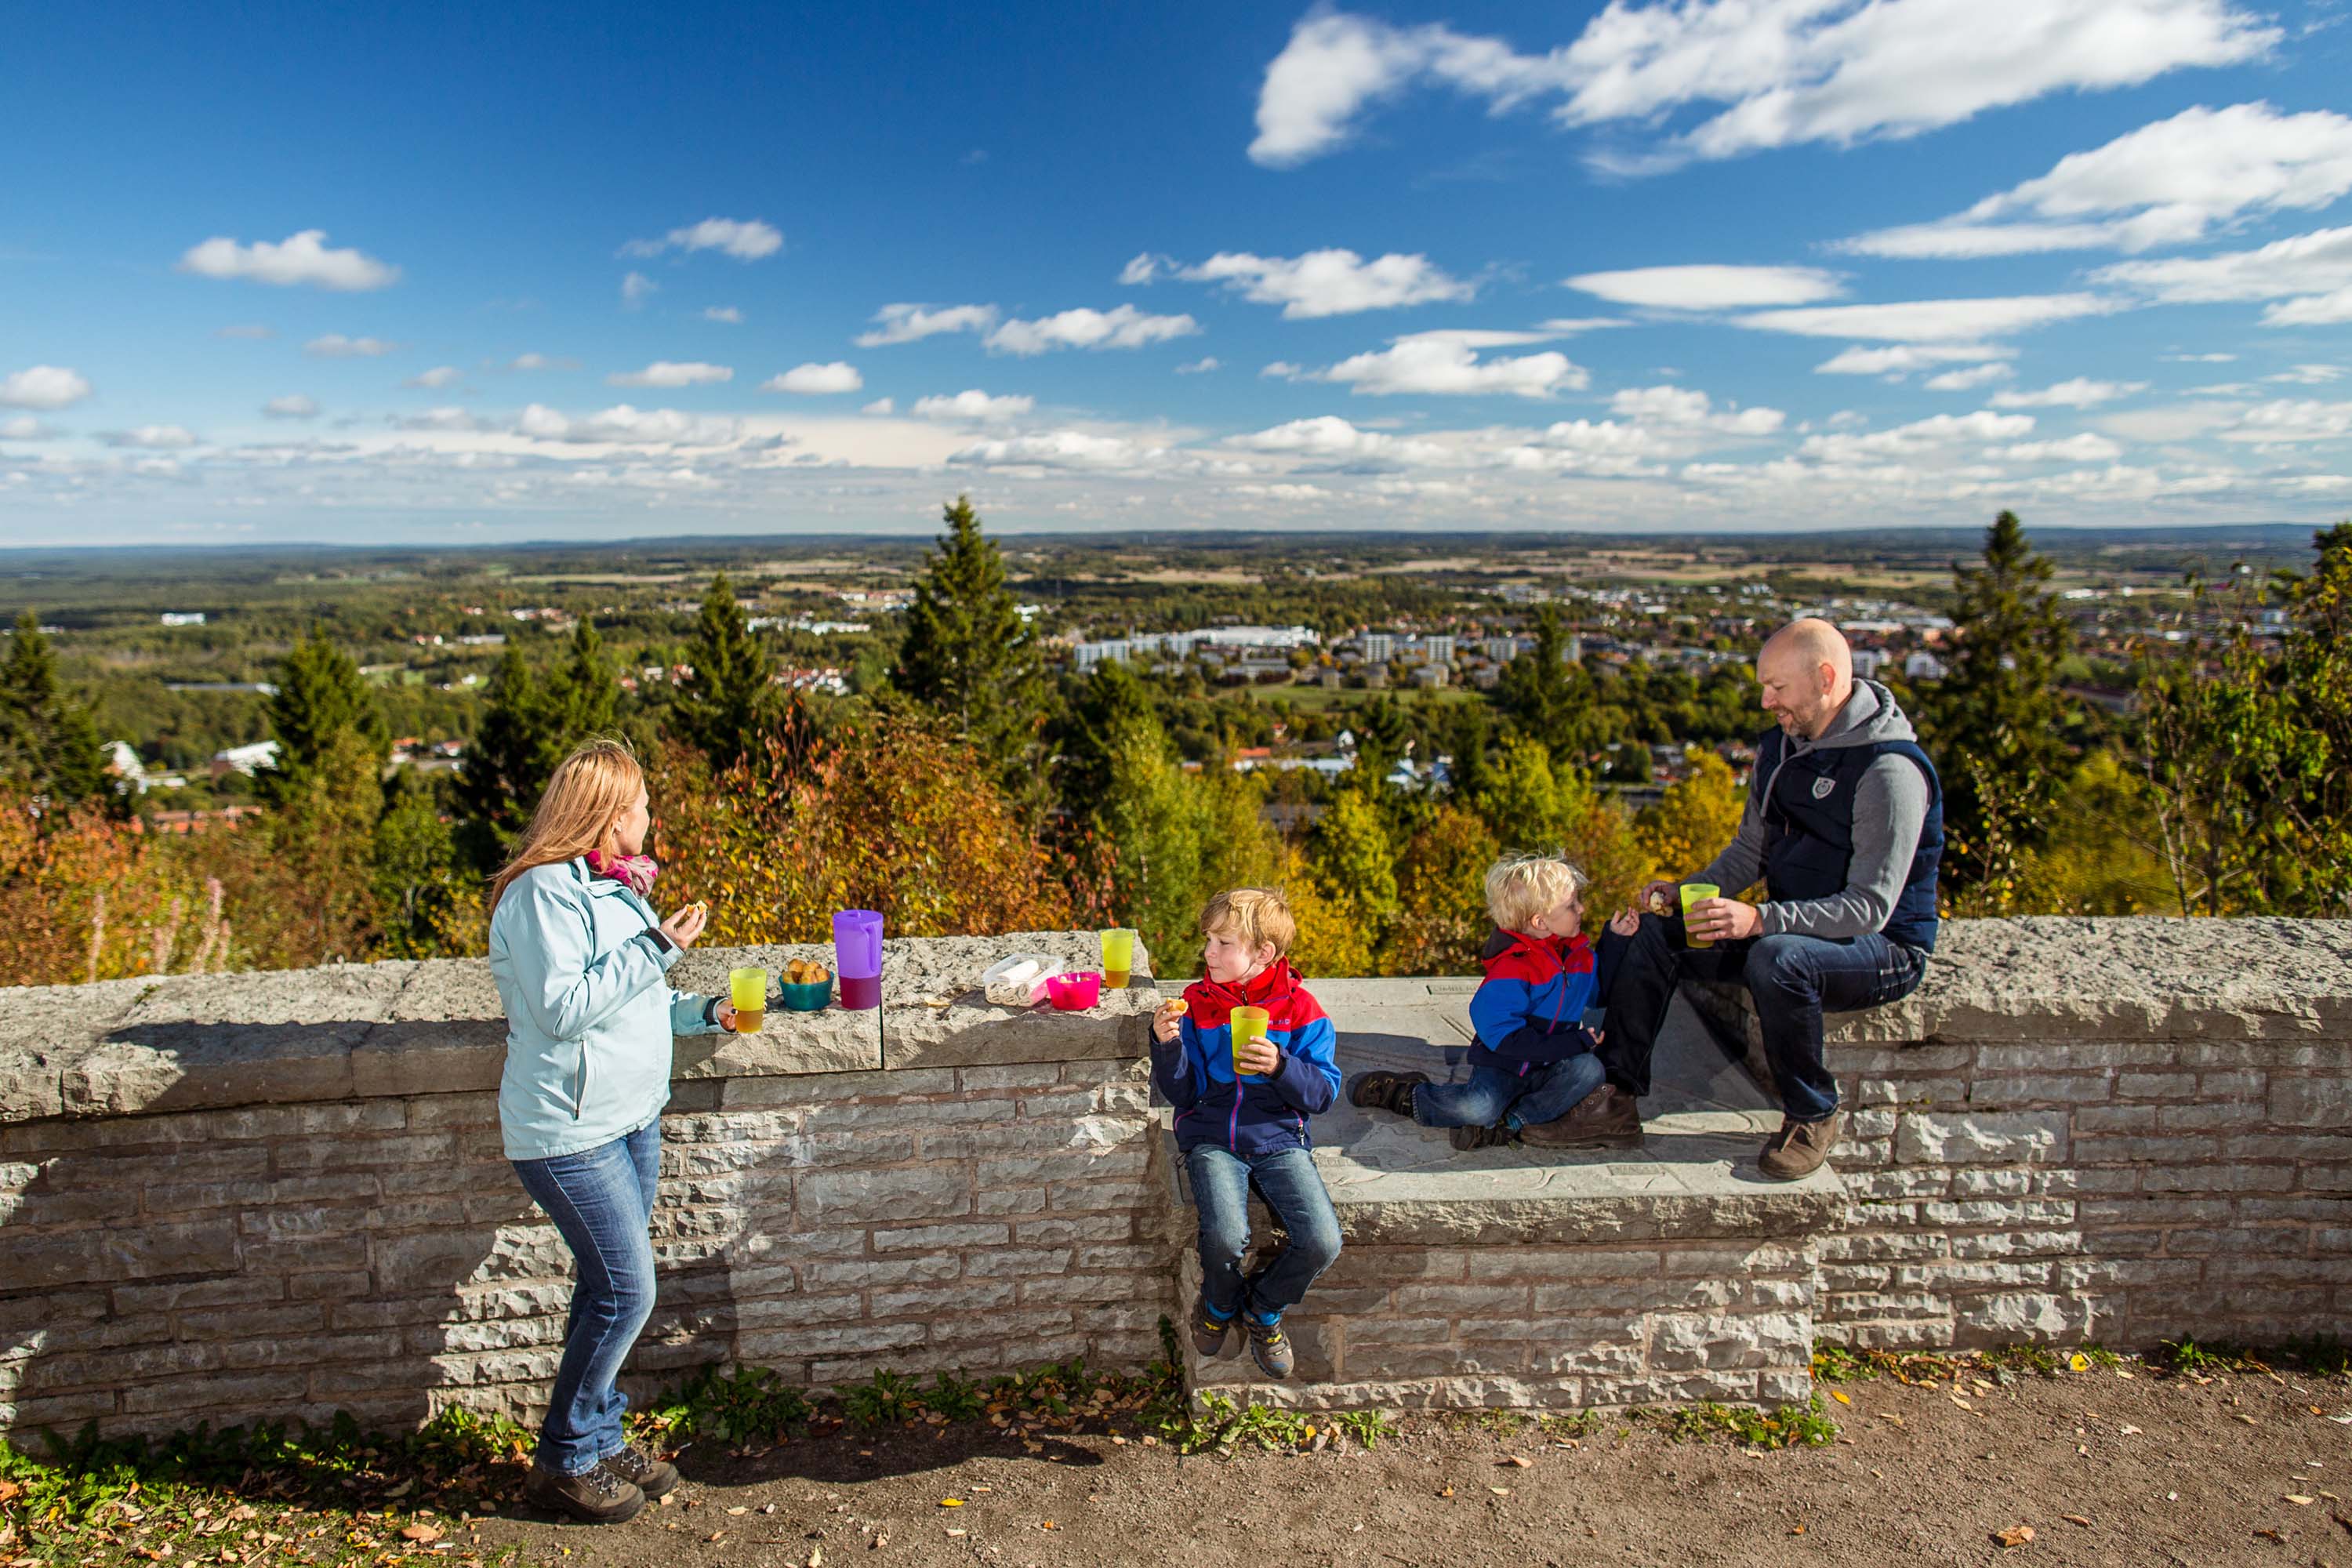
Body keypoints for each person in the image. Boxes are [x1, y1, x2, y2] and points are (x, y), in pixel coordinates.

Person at [1546, 618, 1944, 1181]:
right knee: (1658, 933)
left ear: (1826, 679)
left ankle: (1812, 1112)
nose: (1765, 701)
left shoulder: (1888, 769)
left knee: (1778, 958)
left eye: (1778, 687)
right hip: (1789, 930)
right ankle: (1615, 1097)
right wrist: (1684, 893)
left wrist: (1759, 919)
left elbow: (1869, 908)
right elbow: (1749, 852)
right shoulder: (1781, 748)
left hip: (1880, 949)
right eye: (1764, 686)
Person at [487, 738, 737, 1523]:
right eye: (641, 806)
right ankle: (564, 1457)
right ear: (607, 815)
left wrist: (705, 1011)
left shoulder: (612, 885)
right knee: (629, 1291)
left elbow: (631, 999)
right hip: (569, 1129)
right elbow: (564, 1009)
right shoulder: (542, 894)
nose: (649, 817)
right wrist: (662, 945)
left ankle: (598, 1436)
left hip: (629, 1117)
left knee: (604, 1290)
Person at [1149, 887, 1342, 1381]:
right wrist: (1168, 1046)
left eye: (1223, 943)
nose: (1208, 953)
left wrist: (1281, 1067)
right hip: (1212, 1137)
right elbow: (1182, 1092)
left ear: (1263, 953)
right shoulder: (1196, 1003)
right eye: (1208, 940)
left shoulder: (1301, 1009)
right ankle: (1217, 1305)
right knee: (1223, 1238)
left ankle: (1264, 1308)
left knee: (1322, 1241)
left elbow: (1322, 1093)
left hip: (1279, 1139)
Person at [1348, 854, 1640, 1151]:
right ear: (1540, 921)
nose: (1582, 909)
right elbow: (1503, 1037)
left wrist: (1615, 943)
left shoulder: (1578, 957)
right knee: (1476, 1108)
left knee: (1589, 1070)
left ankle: (1510, 1123)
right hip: (1505, 1066)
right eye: (1572, 905)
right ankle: (1407, 1094)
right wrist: (1572, 1042)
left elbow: (1596, 995)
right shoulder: (1511, 968)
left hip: (1552, 1063)